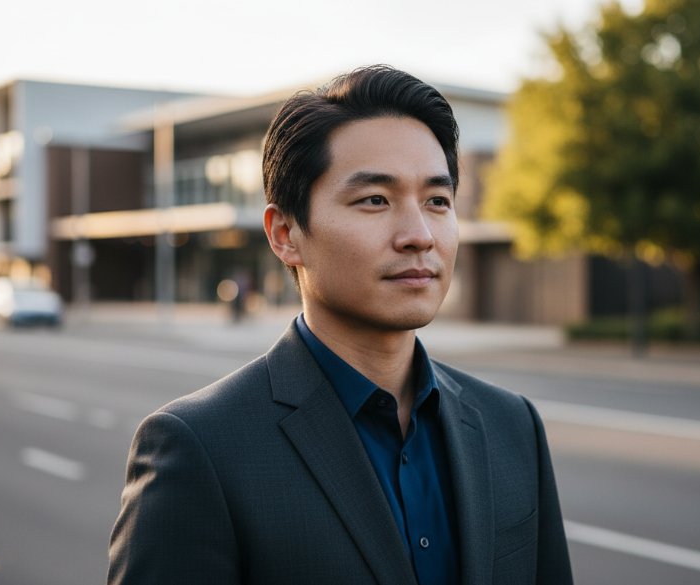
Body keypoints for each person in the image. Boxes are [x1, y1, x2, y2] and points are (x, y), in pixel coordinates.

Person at [108, 65, 574, 585]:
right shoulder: (199, 448)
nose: (419, 235)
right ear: (285, 233)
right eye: (375, 200)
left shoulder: (511, 425)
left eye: (437, 201)